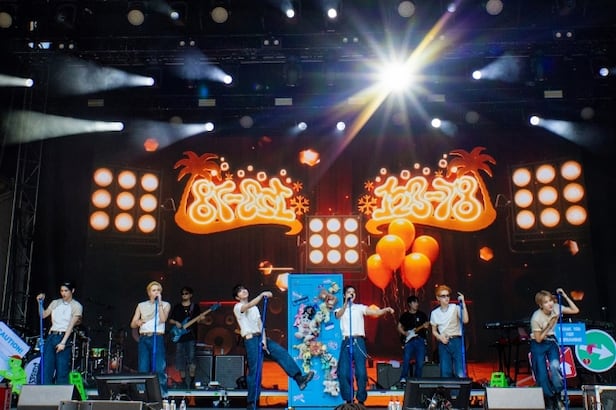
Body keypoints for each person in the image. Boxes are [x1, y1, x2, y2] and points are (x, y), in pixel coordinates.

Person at [232, 284, 314, 410]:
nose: (243, 291)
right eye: (240, 291)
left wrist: (264, 341)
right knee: (256, 371)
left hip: (260, 337)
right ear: (237, 297)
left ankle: (299, 378)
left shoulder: (255, 309)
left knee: (280, 352)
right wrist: (261, 295)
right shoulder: (238, 307)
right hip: (250, 339)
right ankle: (252, 403)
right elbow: (248, 306)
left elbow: (260, 325)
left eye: (244, 289)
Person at [335, 285, 395, 405]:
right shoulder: (339, 309)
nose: (352, 294)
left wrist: (386, 309)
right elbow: (338, 315)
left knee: (361, 372)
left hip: (358, 340)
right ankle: (348, 399)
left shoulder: (359, 308)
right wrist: (346, 303)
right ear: (344, 295)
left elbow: (375, 312)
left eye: (353, 292)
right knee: (343, 372)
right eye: (349, 292)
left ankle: (361, 399)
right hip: (346, 340)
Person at [530, 288, 579, 410]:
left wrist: (565, 296)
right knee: (542, 374)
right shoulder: (536, 317)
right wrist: (550, 325)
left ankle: (557, 394)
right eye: (546, 302)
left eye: (550, 300)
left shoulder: (556, 308)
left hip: (551, 341)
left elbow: (575, 310)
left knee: (555, 366)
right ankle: (550, 398)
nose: (550, 304)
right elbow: (538, 339)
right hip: (538, 343)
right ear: (541, 305)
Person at [36, 281, 83, 385]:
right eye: (62, 291)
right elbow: (43, 315)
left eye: (66, 291)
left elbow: (71, 325)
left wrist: (63, 342)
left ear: (72, 291)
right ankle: (44, 391)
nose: (63, 293)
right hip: (52, 335)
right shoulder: (55, 303)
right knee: (46, 367)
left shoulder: (76, 306)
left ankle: (61, 392)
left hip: (63, 336)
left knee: (62, 369)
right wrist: (39, 303)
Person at [130, 281, 171, 398]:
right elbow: (132, 324)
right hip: (144, 337)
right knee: (143, 367)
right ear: (149, 293)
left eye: (158, 290)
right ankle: (142, 394)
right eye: (154, 290)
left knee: (159, 367)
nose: (156, 292)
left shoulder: (166, 304)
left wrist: (160, 303)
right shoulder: (141, 305)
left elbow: (163, 319)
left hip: (157, 337)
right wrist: (137, 322)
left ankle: (162, 395)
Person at [429, 285, 469, 378]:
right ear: (438, 298)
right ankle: (447, 388)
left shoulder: (455, 307)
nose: (446, 298)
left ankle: (460, 388)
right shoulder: (434, 313)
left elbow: (465, 320)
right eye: (443, 296)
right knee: (445, 371)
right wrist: (440, 337)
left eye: (448, 295)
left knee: (460, 372)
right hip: (443, 343)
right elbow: (434, 331)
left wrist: (463, 303)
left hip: (456, 341)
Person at [168, 286, 202, 389]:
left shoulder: (195, 307)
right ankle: (183, 381)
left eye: (186, 293)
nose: (184, 295)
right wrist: (176, 322)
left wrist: (202, 319)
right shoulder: (177, 307)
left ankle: (191, 381)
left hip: (191, 337)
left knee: (191, 359)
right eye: (182, 293)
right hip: (179, 338)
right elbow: (170, 320)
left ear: (190, 295)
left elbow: (199, 320)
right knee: (180, 360)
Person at [397, 295, 429, 383]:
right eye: (414, 302)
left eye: (417, 302)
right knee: (406, 360)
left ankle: (417, 380)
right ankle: (403, 378)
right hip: (409, 341)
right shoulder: (405, 315)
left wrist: (425, 326)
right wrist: (404, 333)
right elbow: (399, 327)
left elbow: (426, 326)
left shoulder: (422, 315)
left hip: (420, 340)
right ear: (410, 304)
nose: (416, 304)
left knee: (420, 362)